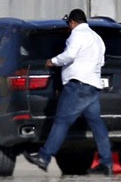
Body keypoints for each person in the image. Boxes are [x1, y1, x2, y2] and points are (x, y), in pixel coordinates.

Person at [23, 9, 113, 175]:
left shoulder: (77, 35)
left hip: (77, 86)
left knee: (61, 122)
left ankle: (44, 156)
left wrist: (53, 61)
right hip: (92, 86)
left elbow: (70, 55)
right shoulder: (97, 38)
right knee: (97, 125)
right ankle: (106, 162)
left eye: (69, 24)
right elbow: (101, 61)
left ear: (72, 22)